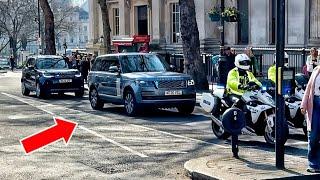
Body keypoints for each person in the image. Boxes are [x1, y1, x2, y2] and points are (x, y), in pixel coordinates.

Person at [301, 65, 320, 173]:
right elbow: (308, 88)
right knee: (313, 135)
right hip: (315, 103)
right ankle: (314, 164)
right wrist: (303, 105)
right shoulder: (316, 70)